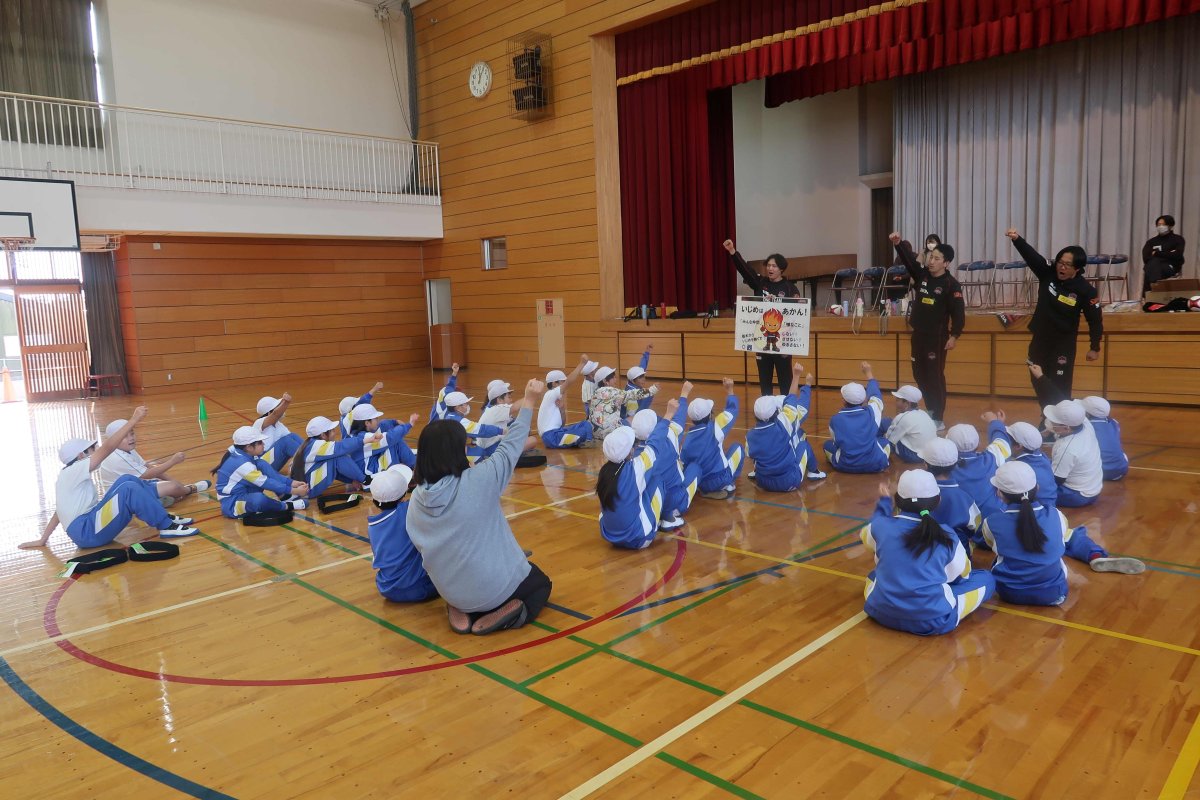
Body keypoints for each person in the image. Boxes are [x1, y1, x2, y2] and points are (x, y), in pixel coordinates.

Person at [407, 378, 553, 635]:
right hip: (493, 589)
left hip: (450, 589)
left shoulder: (416, 501)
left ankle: (460, 608)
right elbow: (510, 447)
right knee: (540, 583)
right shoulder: (479, 480)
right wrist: (530, 400)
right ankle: (507, 614)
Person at [20, 408, 199, 550]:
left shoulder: (67, 476)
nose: (95, 451)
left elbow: (59, 511)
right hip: (88, 531)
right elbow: (108, 448)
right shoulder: (75, 469)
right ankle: (166, 525)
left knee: (126, 480)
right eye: (92, 449)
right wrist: (134, 420)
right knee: (128, 487)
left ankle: (162, 517)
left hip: (86, 528)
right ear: (81, 455)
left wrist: (43, 539)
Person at [980, 461, 1143, 606]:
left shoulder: (991, 522)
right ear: (1037, 488)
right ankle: (1094, 555)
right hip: (1054, 594)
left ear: (999, 493)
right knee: (1070, 536)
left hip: (1008, 594)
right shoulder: (1055, 515)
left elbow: (990, 543)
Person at [860, 469, 995, 636]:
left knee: (875, 575)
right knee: (986, 579)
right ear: (938, 501)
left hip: (880, 611)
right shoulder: (946, 534)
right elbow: (961, 576)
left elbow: (867, 537)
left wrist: (883, 504)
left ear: (898, 500)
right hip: (933, 620)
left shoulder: (879, 526)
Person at [1006, 228, 1103, 408]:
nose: (1062, 267)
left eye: (1067, 265)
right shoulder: (1047, 274)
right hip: (1040, 339)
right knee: (1037, 379)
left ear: (1078, 268)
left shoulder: (1086, 290)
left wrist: (1094, 346)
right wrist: (1017, 239)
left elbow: (1095, 320)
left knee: (1060, 385)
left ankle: (1062, 421)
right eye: (1060, 262)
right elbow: (1032, 256)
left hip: (1063, 344)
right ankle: (1047, 416)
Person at [889, 231, 965, 429]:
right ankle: (930, 409)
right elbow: (909, 262)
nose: (931, 261)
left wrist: (955, 335)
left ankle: (937, 416)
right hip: (918, 334)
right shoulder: (922, 275)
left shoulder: (951, 285)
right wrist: (898, 244)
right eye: (931, 257)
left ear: (946, 263)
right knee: (918, 373)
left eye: (937, 258)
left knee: (934, 376)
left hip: (937, 338)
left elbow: (959, 314)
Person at [597, 388, 691, 549]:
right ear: (629, 453)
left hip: (609, 536)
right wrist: (668, 415)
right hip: (639, 538)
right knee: (656, 479)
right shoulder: (636, 467)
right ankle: (667, 518)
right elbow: (654, 444)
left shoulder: (604, 472)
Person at [722, 238, 801, 396]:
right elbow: (745, 269)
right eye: (768, 265)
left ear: (781, 269)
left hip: (782, 342)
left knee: (785, 381)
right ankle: (767, 413)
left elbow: (797, 315)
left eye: (774, 266)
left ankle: (786, 412)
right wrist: (732, 252)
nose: (770, 269)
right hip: (761, 339)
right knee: (765, 382)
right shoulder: (760, 283)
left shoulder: (790, 288)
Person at [747, 362, 824, 492]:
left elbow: (751, 454)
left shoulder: (750, 435)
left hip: (763, 482)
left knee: (759, 451)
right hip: (789, 481)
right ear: (778, 411)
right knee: (803, 441)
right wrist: (805, 383)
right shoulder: (786, 422)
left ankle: (755, 471)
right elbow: (796, 400)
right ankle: (814, 471)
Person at [99, 418, 211, 505]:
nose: (131, 438)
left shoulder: (126, 448)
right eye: (125, 436)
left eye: (132, 433)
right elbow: (147, 474)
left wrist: (174, 480)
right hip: (121, 497)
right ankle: (190, 489)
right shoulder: (118, 457)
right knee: (172, 487)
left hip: (134, 487)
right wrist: (173, 461)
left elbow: (148, 467)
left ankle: (158, 499)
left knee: (168, 484)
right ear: (114, 439)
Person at [367, 465, 438, 603]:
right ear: (404, 494)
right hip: (418, 588)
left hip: (386, 588)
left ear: (374, 501)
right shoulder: (408, 510)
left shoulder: (373, 526)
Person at [630, 398, 700, 531]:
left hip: (651, 501)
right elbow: (679, 419)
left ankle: (656, 514)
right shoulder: (669, 437)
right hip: (674, 499)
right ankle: (673, 513)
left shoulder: (635, 455)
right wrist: (684, 396)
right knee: (695, 468)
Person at [214, 426, 309, 518]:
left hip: (246, 491)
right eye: (260, 442)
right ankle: (287, 506)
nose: (263, 444)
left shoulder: (241, 451)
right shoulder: (242, 464)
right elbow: (266, 482)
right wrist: (294, 490)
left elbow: (271, 476)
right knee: (259, 499)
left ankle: (284, 496)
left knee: (261, 464)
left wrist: (292, 483)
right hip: (232, 503)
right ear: (249, 447)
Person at [680, 377, 744, 499]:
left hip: (701, 481)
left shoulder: (687, 440)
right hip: (720, 478)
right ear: (710, 415)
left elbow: (684, 464)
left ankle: (705, 489)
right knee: (738, 447)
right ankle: (728, 483)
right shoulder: (716, 426)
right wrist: (730, 390)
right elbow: (732, 411)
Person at [824, 361, 891, 474]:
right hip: (875, 464)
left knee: (827, 445)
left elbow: (837, 442)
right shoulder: (872, 412)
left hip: (845, 466)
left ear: (843, 400)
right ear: (864, 399)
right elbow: (875, 395)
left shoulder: (835, 420)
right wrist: (868, 373)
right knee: (885, 442)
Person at [916, 437, 981, 550]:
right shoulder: (964, 498)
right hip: (956, 552)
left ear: (926, 465)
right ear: (955, 464)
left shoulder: (915, 493)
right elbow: (976, 526)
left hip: (922, 551)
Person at [947, 415, 1012, 520]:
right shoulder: (993, 457)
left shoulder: (944, 467)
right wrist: (995, 421)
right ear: (979, 444)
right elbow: (1001, 440)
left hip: (961, 521)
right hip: (993, 517)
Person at [291, 416, 372, 497]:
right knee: (337, 457)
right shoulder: (317, 446)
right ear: (323, 435)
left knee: (334, 457)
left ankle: (363, 480)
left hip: (306, 487)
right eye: (332, 430)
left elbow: (334, 470)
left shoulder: (310, 444)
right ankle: (366, 481)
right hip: (308, 490)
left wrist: (351, 481)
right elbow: (342, 446)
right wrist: (365, 440)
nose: (335, 432)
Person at [1042, 399, 1103, 508]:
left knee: (1030, 489)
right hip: (1092, 487)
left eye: (1053, 422)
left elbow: (1055, 480)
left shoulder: (1068, 449)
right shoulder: (1084, 422)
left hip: (1076, 495)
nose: (1050, 423)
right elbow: (1077, 405)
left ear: (1066, 428)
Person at [537, 354, 595, 449]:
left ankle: (584, 440)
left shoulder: (556, 398)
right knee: (583, 432)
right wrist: (582, 364)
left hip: (558, 432)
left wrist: (562, 410)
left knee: (586, 424)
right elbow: (569, 382)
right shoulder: (550, 394)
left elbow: (562, 424)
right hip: (551, 437)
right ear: (554, 383)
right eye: (562, 382)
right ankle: (585, 441)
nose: (564, 384)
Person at [589, 365, 656, 440]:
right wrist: (652, 390)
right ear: (605, 381)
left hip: (595, 433)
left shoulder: (594, 394)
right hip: (610, 432)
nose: (615, 380)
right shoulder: (612, 391)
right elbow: (632, 394)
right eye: (613, 378)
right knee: (636, 418)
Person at [1000, 419, 1058, 506]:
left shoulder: (1019, 468)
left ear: (1019, 446)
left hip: (1033, 509)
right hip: (1049, 504)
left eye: (1007, 440)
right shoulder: (1042, 456)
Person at [442, 391, 508, 462]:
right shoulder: (459, 421)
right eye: (466, 404)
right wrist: (501, 431)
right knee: (480, 453)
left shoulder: (449, 417)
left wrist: (473, 440)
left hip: (447, 451)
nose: (468, 406)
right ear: (457, 407)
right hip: (452, 455)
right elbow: (481, 430)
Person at [351, 403, 418, 474]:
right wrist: (409, 424)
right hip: (372, 472)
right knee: (396, 443)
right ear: (367, 423)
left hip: (369, 466)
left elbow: (382, 424)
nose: (378, 420)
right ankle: (417, 469)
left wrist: (395, 422)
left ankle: (413, 464)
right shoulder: (365, 438)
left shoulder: (357, 434)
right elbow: (390, 437)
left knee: (394, 441)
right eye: (376, 418)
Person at [883, 385, 937, 463]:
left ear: (907, 403)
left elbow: (889, 441)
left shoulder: (902, 417)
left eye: (898, 399)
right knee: (893, 424)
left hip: (912, 456)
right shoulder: (924, 413)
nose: (896, 401)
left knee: (886, 423)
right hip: (929, 454)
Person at [1080, 396, 1129, 481]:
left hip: (1096, 473)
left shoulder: (1085, 427)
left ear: (1087, 414)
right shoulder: (1114, 423)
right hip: (1120, 471)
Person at [252, 393, 304, 472]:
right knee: (285, 442)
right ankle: (310, 461)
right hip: (260, 465)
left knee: (292, 436)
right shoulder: (259, 423)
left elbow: (293, 444)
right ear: (269, 413)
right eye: (279, 407)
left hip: (271, 462)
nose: (282, 410)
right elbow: (275, 415)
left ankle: (313, 454)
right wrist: (286, 402)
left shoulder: (279, 425)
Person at [1142, 214, 1185, 295]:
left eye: (1163, 224)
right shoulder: (1151, 242)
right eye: (1158, 224)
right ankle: (1156, 288)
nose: (1160, 226)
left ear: (1170, 226)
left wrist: (1157, 253)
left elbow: (1177, 255)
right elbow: (1146, 258)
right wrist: (1168, 254)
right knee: (1152, 264)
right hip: (1153, 266)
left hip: (1171, 267)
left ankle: (1151, 293)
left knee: (1151, 266)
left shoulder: (1178, 239)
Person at [623, 344, 656, 419]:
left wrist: (647, 353)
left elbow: (642, 367)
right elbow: (632, 416)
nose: (643, 379)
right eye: (640, 378)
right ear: (634, 380)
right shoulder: (632, 396)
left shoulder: (632, 380)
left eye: (643, 376)